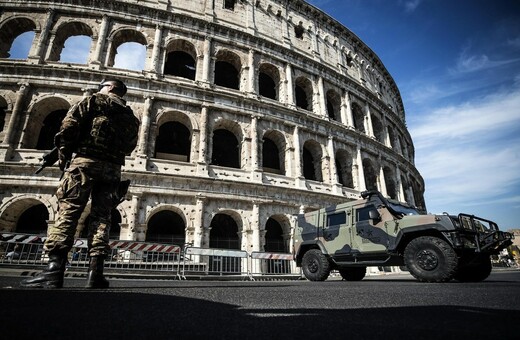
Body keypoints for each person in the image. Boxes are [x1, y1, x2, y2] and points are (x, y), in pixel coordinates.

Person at [21, 79, 139, 289]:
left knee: (69, 212)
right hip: (112, 169)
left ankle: (54, 271)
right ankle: (96, 274)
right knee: (102, 218)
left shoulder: (93, 101)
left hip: (84, 162)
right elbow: (131, 146)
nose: (98, 88)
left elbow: (69, 126)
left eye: (102, 85)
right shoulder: (130, 116)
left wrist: (63, 153)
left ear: (110, 88)